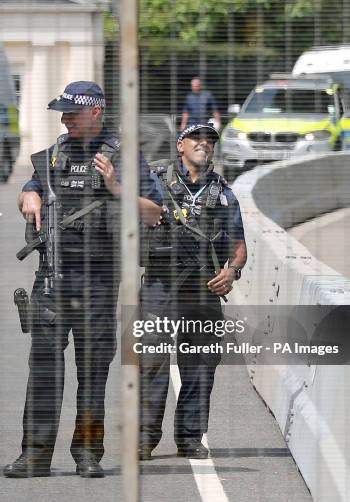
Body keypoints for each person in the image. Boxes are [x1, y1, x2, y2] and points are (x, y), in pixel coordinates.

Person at [4, 81, 162, 478]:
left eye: (72, 113)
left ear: (97, 112)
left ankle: (88, 453)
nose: (64, 119)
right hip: (52, 279)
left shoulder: (125, 157)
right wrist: (28, 195)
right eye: (62, 113)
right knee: (43, 369)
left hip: (99, 281)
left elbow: (154, 212)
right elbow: (31, 189)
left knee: (92, 373)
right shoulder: (53, 156)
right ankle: (34, 455)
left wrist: (115, 187)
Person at [138, 123, 247, 460]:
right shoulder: (155, 181)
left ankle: (189, 438)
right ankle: (144, 437)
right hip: (160, 285)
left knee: (200, 365)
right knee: (152, 361)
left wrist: (232, 271)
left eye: (210, 141)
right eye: (197, 139)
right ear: (180, 145)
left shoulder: (224, 193)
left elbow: (240, 246)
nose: (205, 145)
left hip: (203, 291)